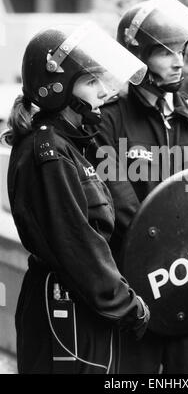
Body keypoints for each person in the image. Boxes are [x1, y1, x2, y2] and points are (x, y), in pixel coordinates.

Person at [92, 0, 188, 374]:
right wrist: (163, 266)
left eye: (181, 50)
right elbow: (118, 208)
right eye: (165, 52)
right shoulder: (108, 122)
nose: (179, 61)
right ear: (137, 57)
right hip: (137, 299)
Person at [2, 21, 150, 374]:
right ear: (56, 89)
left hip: (82, 310)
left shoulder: (73, 144)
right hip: (62, 311)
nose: (102, 92)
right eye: (90, 81)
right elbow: (76, 243)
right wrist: (128, 305)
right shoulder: (48, 153)